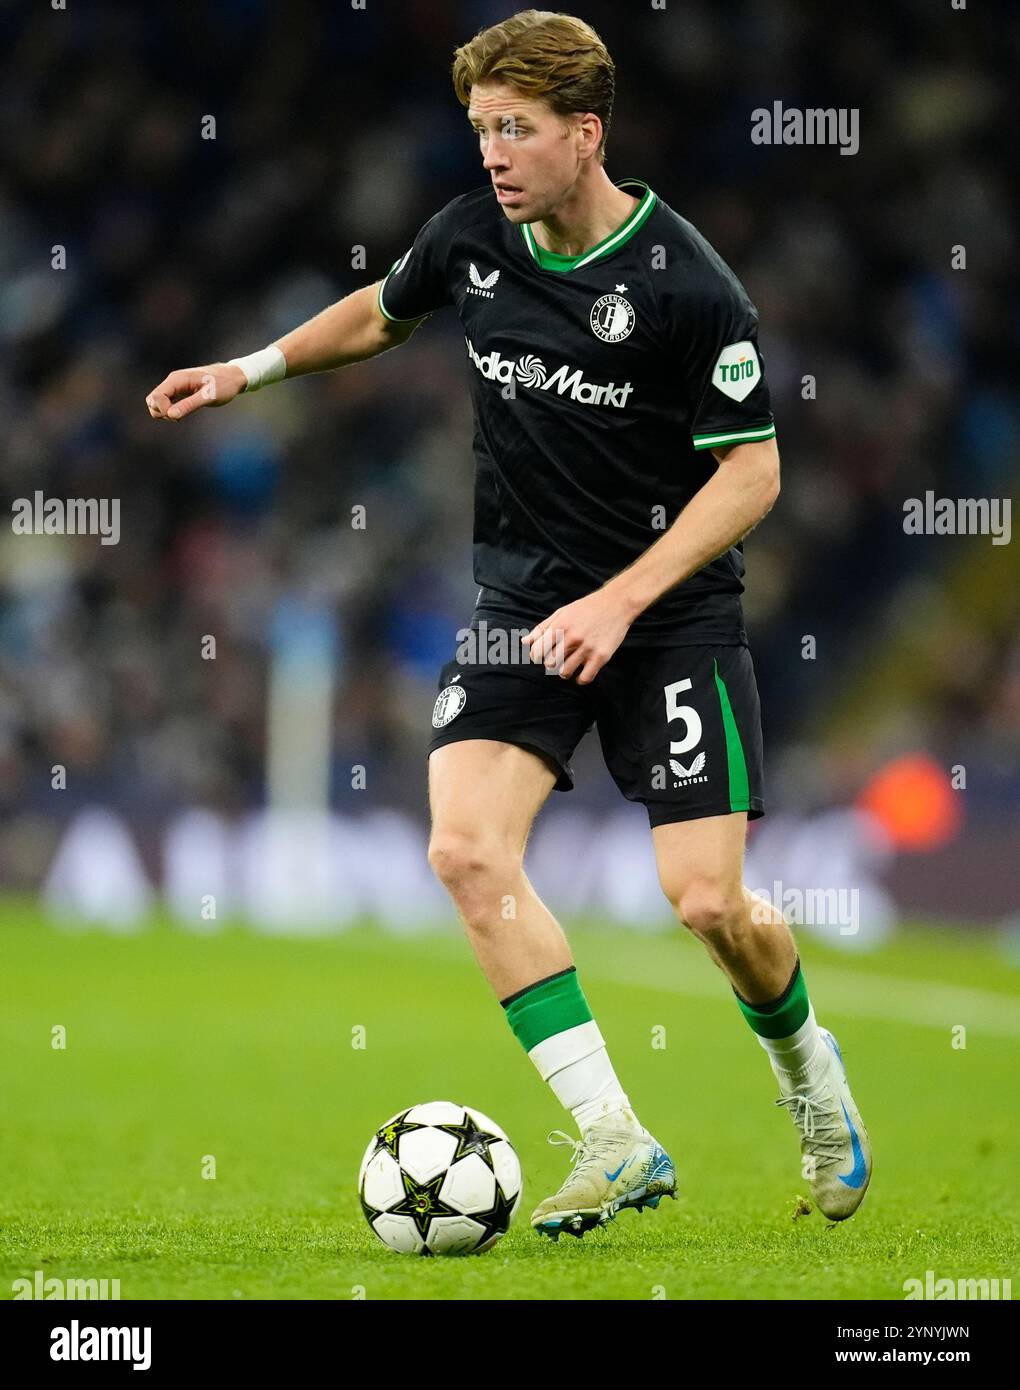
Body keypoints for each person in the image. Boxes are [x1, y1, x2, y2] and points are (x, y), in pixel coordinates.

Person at [146, 8, 871, 1240]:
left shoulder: (690, 285)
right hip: (523, 608)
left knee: (709, 906)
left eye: (516, 130)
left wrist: (623, 596)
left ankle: (813, 1082)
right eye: (481, 128)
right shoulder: (476, 234)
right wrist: (247, 370)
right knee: (465, 849)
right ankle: (614, 1137)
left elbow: (751, 477)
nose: (492, 154)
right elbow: (383, 310)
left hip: (668, 618)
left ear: (586, 133)